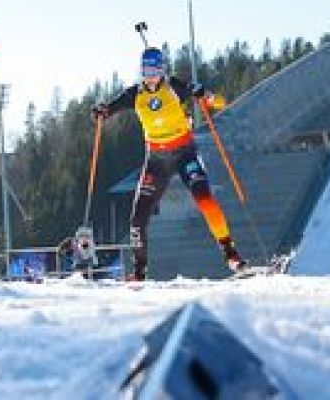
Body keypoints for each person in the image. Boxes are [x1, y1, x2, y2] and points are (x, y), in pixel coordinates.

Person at [92, 47, 246, 281]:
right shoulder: (135, 94)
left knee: (205, 200)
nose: (150, 75)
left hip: (184, 154)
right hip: (156, 161)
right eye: (146, 70)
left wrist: (205, 94)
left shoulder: (174, 87)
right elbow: (110, 109)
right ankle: (139, 271)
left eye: (154, 69)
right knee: (137, 218)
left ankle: (231, 254)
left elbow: (219, 103)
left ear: (162, 70)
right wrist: (103, 111)